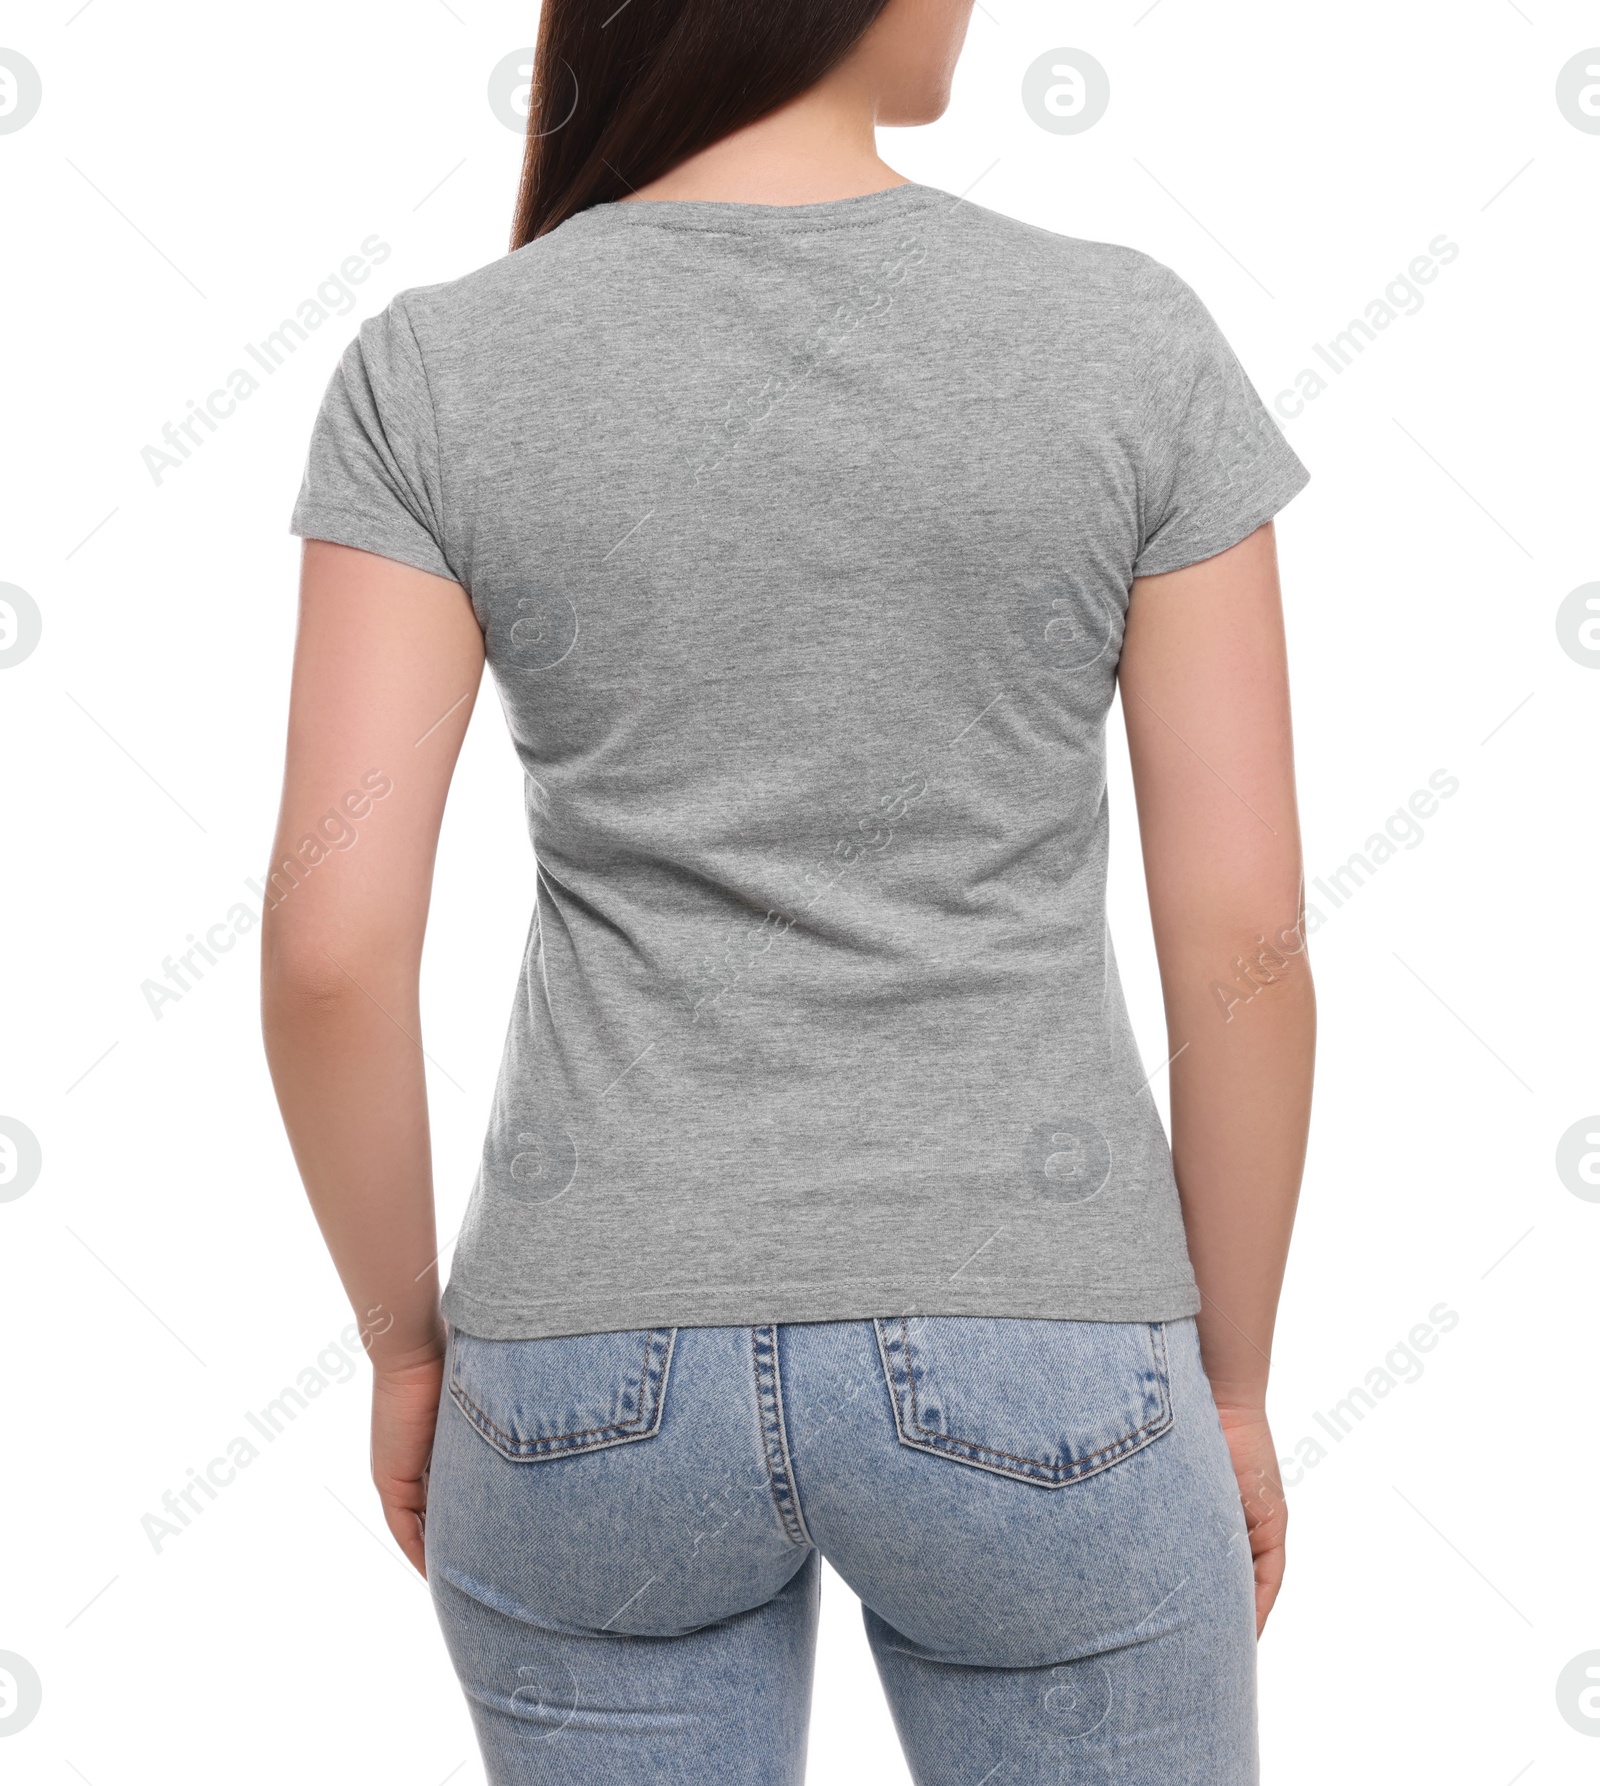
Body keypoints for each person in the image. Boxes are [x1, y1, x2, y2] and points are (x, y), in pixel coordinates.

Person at [261, 0, 1315, 1779]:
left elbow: (331, 950)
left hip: (587, 1371)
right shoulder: (1128, 341)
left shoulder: (437, 370)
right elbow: (1246, 944)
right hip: (1043, 1343)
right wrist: (1227, 1385)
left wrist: (403, 1353)